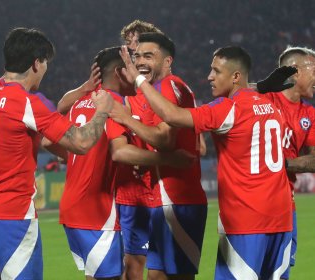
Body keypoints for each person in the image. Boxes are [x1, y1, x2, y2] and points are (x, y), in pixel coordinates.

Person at [118, 45, 294, 279]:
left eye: (216, 71)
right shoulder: (273, 107)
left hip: (246, 221)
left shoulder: (227, 109)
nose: (209, 76)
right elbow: (245, 96)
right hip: (281, 220)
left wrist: (138, 79)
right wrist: (259, 87)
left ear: (235, 76)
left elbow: (172, 115)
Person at [0, 27, 113, 280]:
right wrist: (104, 110)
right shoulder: (29, 103)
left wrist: (84, 88)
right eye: (46, 62)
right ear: (36, 63)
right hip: (12, 217)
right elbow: (82, 143)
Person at [42, 46, 192, 280]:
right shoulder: (112, 103)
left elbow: (46, 141)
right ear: (119, 72)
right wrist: (169, 159)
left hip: (72, 208)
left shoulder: (81, 102)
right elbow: (120, 153)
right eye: (130, 67)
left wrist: (81, 160)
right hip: (97, 212)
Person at [111, 32, 207, 280]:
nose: (141, 61)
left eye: (149, 56)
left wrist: (123, 119)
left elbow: (165, 139)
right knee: (156, 276)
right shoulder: (169, 88)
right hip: (163, 198)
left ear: (167, 61)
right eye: (137, 56)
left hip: (178, 200)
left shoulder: (168, 86)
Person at [257, 46, 315, 280]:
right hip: (250, 201)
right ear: (294, 72)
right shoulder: (262, 100)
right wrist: (260, 86)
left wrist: (279, 164)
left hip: (283, 204)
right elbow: (227, 93)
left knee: (279, 274)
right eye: (313, 68)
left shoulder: (309, 114)